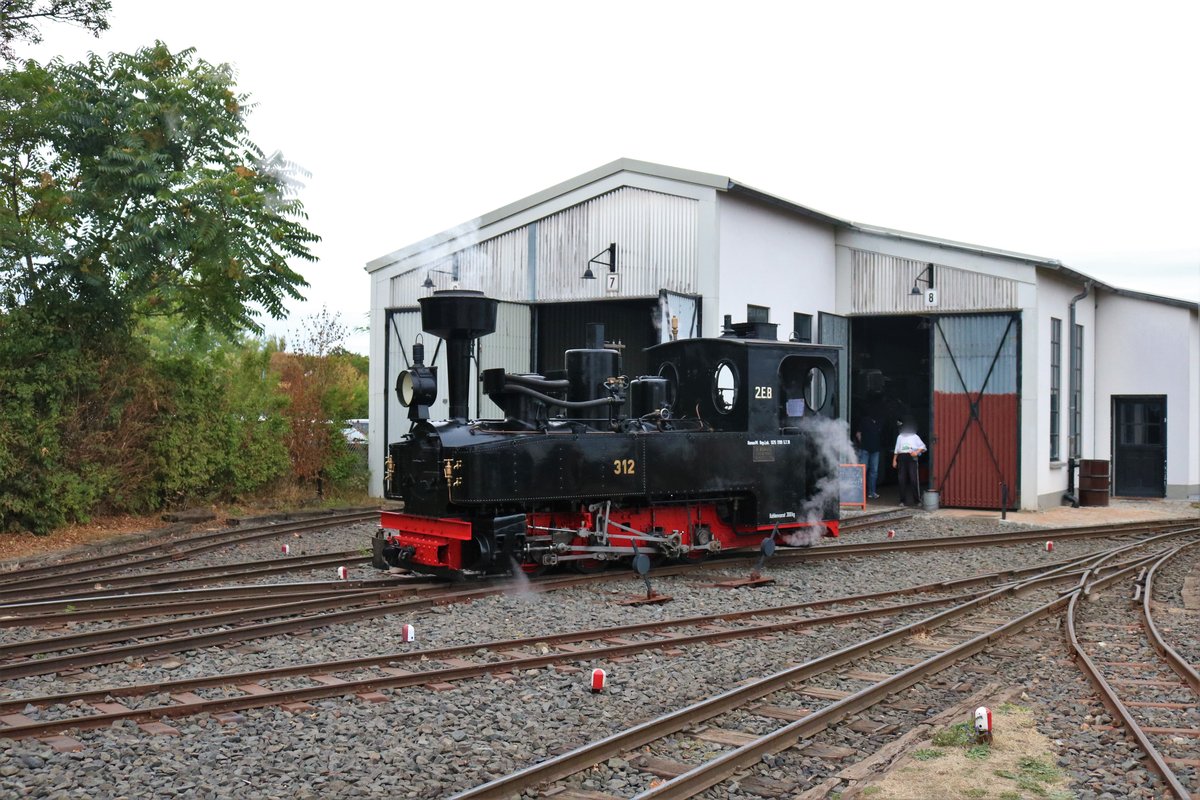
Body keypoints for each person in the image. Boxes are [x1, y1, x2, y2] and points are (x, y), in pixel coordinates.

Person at [892, 417, 926, 507]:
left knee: (913, 479)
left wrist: (916, 452)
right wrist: (894, 460)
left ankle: (917, 500)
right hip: (902, 457)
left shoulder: (914, 436)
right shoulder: (900, 437)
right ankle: (902, 501)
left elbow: (923, 447)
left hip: (911, 457)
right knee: (901, 479)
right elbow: (897, 450)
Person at [853, 411, 884, 499]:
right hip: (866, 449)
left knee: (871, 472)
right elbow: (858, 433)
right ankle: (862, 493)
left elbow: (858, 434)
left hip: (874, 450)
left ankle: (870, 492)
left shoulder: (880, 421)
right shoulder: (865, 420)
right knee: (864, 471)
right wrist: (863, 444)